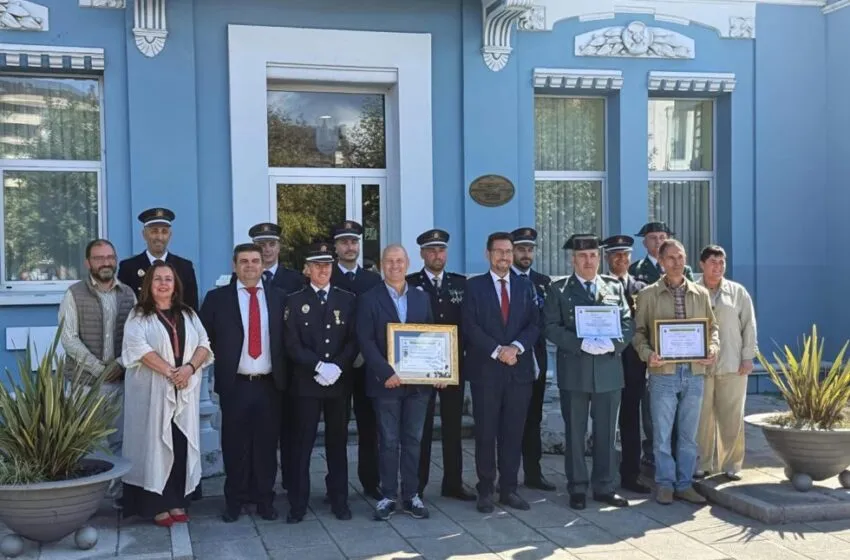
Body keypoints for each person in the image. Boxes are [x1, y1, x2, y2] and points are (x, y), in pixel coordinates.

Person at [120, 261, 213, 527]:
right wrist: (172, 372)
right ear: (149, 284)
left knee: (179, 444)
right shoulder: (139, 315)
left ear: (175, 285)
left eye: (168, 279)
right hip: (152, 392)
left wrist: (189, 368)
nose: (163, 283)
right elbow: (138, 349)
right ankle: (156, 504)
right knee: (155, 445)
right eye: (158, 279)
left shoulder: (188, 314)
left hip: (183, 391)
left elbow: (204, 345)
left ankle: (176, 500)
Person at [200, 244, 288, 522]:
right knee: (235, 444)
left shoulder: (280, 297)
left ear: (263, 265)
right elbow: (204, 339)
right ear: (235, 265)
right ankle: (234, 501)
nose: (250, 266)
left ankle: (264, 499)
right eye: (244, 261)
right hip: (235, 384)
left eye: (255, 261)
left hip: (269, 384)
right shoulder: (217, 299)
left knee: (265, 445)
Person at [543, 234, 631, 510]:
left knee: (606, 432)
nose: (589, 260)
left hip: (608, 370)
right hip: (576, 370)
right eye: (583, 256)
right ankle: (577, 487)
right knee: (575, 433)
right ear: (573, 260)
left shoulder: (613, 287)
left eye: (593, 255)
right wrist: (580, 343)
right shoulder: (559, 290)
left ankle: (604, 486)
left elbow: (628, 322)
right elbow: (551, 326)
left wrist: (613, 343)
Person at [632, 239, 719, 505]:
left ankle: (684, 483)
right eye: (670, 258)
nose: (677, 262)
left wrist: (713, 348)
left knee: (688, 436)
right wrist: (649, 355)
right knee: (661, 435)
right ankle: (665, 484)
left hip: (693, 373)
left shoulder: (700, 293)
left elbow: (712, 329)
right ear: (661, 262)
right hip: (663, 374)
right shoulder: (648, 295)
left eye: (680, 257)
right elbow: (639, 334)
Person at [357, 245, 437, 521]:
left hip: (417, 385)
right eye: (389, 261)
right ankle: (388, 495)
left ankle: (412, 494)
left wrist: (437, 371)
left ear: (407, 263)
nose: (395, 266)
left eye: (399, 261)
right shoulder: (369, 299)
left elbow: (431, 336)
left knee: (413, 439)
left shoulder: (420, 297)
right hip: (386, 383)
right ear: (381, 265)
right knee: (389, 440)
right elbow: (365, 341)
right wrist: (385, 372)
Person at [462, 232, 540, 513]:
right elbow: (470, 326)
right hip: (486, 372)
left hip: (518, 372)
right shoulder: (474, 287)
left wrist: (516, 348)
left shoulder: (525, 286)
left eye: (509, 251)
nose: (505, 256)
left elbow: (534, 324)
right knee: (485, 433)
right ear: (488, 254)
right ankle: (485, 489)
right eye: (499, 251)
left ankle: (509, 489)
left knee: (513, 433)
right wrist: (498, 350)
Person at [284, 242, 358, 523]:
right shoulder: (294, 300)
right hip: (307, 383)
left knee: (337, 444)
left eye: (327, 265)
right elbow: (291, 343)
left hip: (338, 383)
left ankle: (340, 500)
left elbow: (353, 339)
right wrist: (317, 365)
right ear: (307, 269)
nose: (323, 270)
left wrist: (338, 366)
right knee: (302, 445)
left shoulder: (347, 299)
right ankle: (298, 504)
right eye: (317, 265)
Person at [407, 229, 476, 501]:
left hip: (452, 366)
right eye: (432, 250)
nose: (437, 255)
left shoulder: (460, 284)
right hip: (421, 368)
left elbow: (469, 324)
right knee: (419, 429)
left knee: (452, 427)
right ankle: (418, 485)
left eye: (441, 250)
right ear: (422, 254)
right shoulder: (411, 283)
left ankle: (453, 483)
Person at [58, 239, 136, 459]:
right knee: (86, 444)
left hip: (120, 383)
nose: (106, 262)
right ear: (88, 263)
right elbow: (68, 338)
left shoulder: (129, 294)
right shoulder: (74, 294)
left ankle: (117, 492)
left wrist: (120, 364)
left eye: (110, 257)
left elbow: (137, 338)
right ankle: (91, 493)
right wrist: (99, 370)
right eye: (99, 258)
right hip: (84, 384)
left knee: (119, 442)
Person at [629, 221, 693, 466]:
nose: (658, 241)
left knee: (682, 405)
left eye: (662, 237)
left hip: (682, 349)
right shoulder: (637, 269)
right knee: (651, 405)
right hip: (652, 350)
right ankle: (652, 452)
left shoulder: (684, 271)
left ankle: (679, 450)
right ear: (644, 242)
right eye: (653, 238)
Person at [330, 220, 383, 500]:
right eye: (344, 242)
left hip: (366, 365)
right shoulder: (326, 277)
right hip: (335, 365)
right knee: (336, 428)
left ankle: (370, 481)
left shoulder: (373, 280)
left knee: (368, 426)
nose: (350, 247)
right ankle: (335, 486)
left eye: (354, 242)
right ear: (336, 247)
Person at [695, 245, 757, 481]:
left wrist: (748, 357)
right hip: (700, 366)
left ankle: (731, 464)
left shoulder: (738, 292)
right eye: (713, 262)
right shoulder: (692, 289)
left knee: (731, 417)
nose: (718, 266)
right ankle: (702, 463)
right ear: (702, 264)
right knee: (701, 418)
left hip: (733, 364)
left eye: (722, 262)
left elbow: (749, 326)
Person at [602, 235, 652, 495]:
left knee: (631, 421)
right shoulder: (598, 287)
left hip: (634, 365)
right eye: (615, 255)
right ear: (607, 258)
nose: (621, 260)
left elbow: (648, 324)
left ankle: (631, 475)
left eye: (625, 255)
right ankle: (605, 474)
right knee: (605, 421)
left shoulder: (642, 288)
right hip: (606, 362)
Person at [511, 227, 555, 492]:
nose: (526, 254)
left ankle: (533, 473)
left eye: (530, 249)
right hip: (510, 358)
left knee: (534, 418)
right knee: (509, 420)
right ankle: (506, 475)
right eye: (521, 249)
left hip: (536, 359)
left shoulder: (543, 281)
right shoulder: (505, 279)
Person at [118, 208, 199, 310]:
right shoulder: (128, 268)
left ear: (170, 235)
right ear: (144, 234)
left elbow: (191, 309)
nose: (159, 237)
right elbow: (123, 308)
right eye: (154, 231)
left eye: (164, 232)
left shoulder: (185, 267)